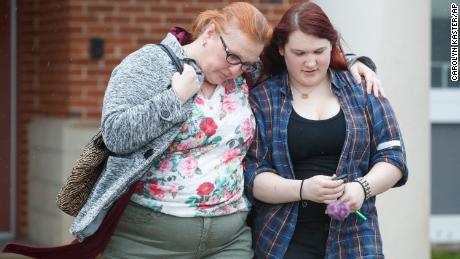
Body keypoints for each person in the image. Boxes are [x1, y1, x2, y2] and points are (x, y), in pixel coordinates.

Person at [1, 2, 382, 259]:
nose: (236, 68)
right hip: (145, 240)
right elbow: (115, 134)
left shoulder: (243, 76)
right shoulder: (150, 64)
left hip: (229, 239)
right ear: (211, 31)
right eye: (231, 56)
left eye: (245, 62)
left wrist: (351, 62)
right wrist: (174, 99)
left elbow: (301, 57)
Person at [244, 2, 408, 259]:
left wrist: (361, 188)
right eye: (299, 53)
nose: (310, 62)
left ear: (333, 46)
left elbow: (394, 157)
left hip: (355, 237)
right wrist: (302, 189)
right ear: (281, 49)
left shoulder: (362, 88)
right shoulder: (262, 99)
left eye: (319, 51)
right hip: (282, 239)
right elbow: (252, 175)